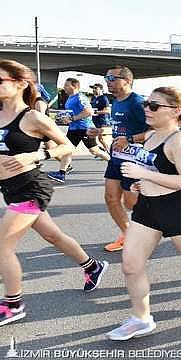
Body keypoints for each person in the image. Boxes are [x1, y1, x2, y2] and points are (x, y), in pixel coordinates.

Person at [105, 87, 181, 340]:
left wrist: (146, 175)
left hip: (176, 209)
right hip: (146, 209)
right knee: (131, 265)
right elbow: (153, 168)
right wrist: (144, 184)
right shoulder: (150, 135)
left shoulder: (177, 140)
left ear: (175, 111)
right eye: (147, 104)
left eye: (154, 106)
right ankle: (141, 319)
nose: (146, 109)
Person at [0, 59, 108, 327]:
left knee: (2, 246)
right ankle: (92, 266)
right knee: (53, 235)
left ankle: (14, 305)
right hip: (10, 189)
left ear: (20, 83)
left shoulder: (33, 117)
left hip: (31, 187)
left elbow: (65, 147)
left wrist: (36, 155)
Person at [89, 65, 149, 252]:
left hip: (135, 159)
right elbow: (119, 129)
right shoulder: (115, 102)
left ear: (127, 80)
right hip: (116, 158)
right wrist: (101, 131)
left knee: (130, 203)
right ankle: (128, 235)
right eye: (106, 78)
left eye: (112, 78)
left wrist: (129, 139)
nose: (108, 82)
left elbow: (155, 131)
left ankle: (151, 229)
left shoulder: (137, 102)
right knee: (110, 198)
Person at [46, 78, 110, 183]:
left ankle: (114, 163)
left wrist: (72, 118)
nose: (64, 87)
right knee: (67, 149)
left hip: (84, 128)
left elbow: (88, 112)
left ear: (75, 86)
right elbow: (72, 112)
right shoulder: (70, 97)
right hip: (73, 129)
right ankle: (61, 174)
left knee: (94, 150)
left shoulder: (80, 97)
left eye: (67, 85)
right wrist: (64, 118)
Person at [90, 83, 112, 152]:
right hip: (95, 121)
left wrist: (96, 112)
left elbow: (108, 110)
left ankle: (108, 152)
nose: (94, 90)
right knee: (91, 137)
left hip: (103, 121)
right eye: (93, 88)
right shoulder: (93, 98)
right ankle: (101, 150)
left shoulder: (103, 98)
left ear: (101, 89)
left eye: (96, 88)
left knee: (101, 138)